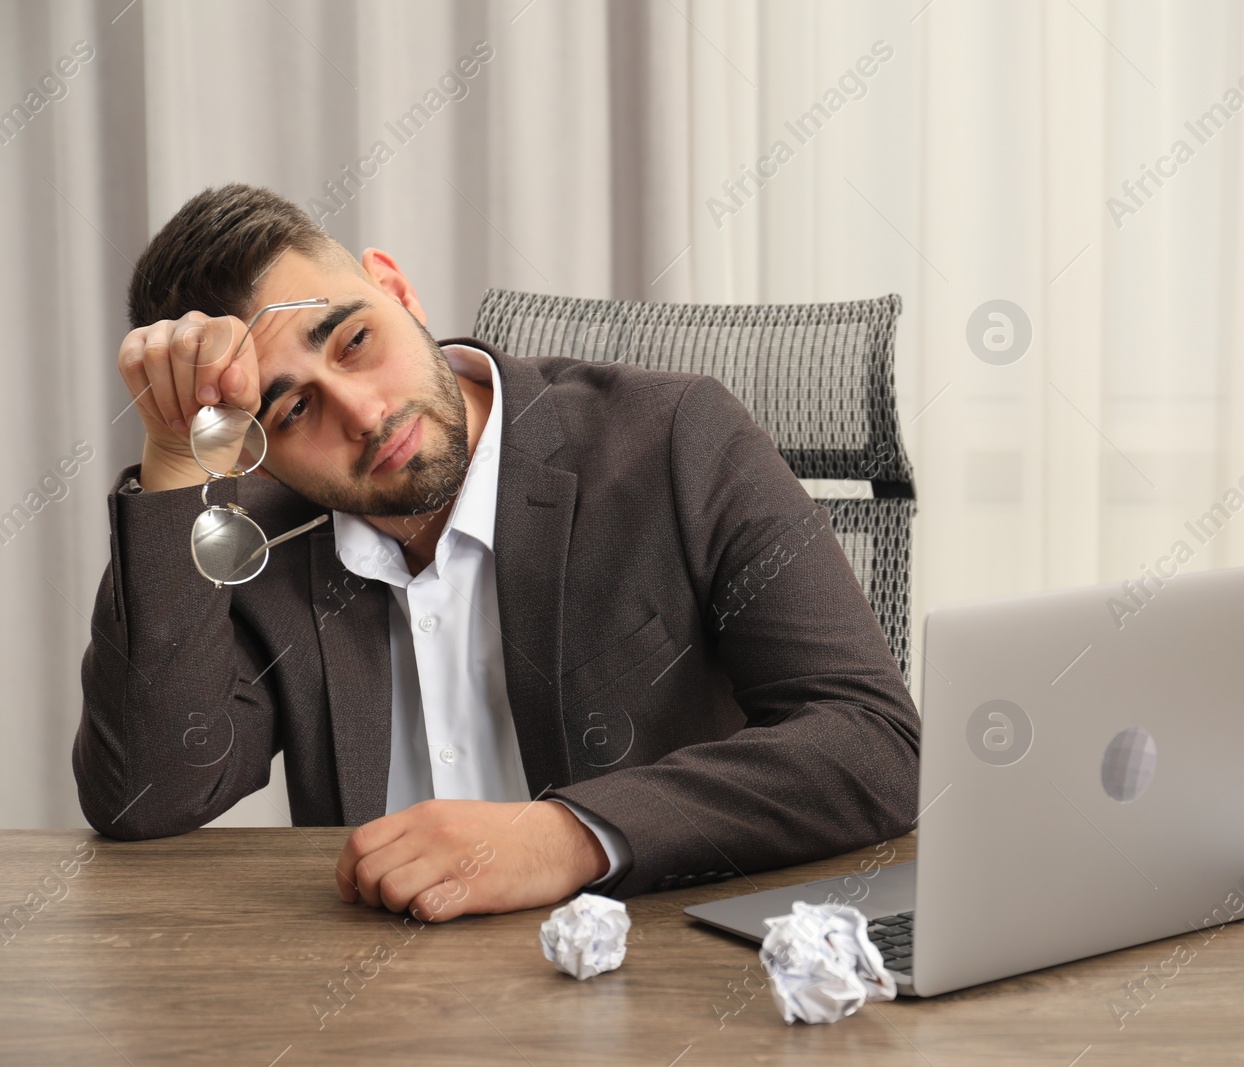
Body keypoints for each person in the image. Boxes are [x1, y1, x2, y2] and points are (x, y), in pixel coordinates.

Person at [74, 183, 919, 922]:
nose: (364, 415)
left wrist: (569, 837)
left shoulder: (675, 437)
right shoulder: (263, 538)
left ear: (395, 287)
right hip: (379, 1008)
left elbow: (873, 742)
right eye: (294, 412)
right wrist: (178, 464)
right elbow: (149, 794)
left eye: (354, 341)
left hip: (656, 985)